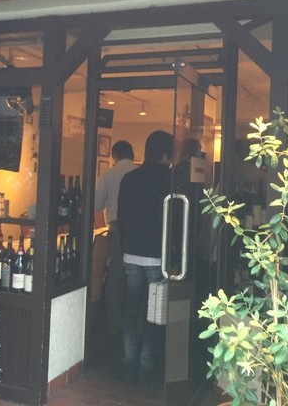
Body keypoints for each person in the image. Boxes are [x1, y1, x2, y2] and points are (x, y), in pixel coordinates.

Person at [117, 130, 173, 385]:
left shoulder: (129, 179)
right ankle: (146, 364)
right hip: (156, 257)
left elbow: (121, 217)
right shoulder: (169, 180)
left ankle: (129, 360)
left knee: (131, 310)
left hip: (131, 253)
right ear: (166, 154)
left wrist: (123, 249)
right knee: (153, 312)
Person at [94, 140, 137, 338]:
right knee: (137, 276)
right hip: (139, 229)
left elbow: (96, 204)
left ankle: (114, 326)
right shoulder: (139, 173)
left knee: (116, 277)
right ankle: (134, 326)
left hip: (117, 228)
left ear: (114, 156)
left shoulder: (108, 175)